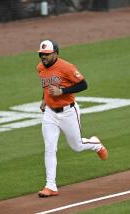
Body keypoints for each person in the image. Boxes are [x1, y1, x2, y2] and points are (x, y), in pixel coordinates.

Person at [36, 39, 108, 197]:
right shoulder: (40, 68)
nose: (43, 57)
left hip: (68, 113)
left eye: (46, 54)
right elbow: (46, 86)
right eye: (41, 54)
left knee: (76, 146)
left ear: (55, 53)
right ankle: (51, 186)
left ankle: (95, 144)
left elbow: (83, 84)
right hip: (49, 113)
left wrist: (62, 92)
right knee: (49, 148)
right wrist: (44, 99)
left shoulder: (67, 67)